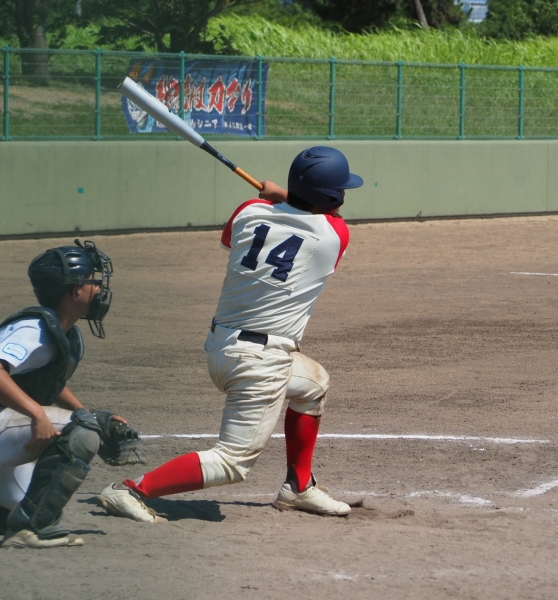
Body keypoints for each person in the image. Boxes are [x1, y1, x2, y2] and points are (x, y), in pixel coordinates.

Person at [96, 146, 363, 522]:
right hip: (260, 363)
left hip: (222, 347)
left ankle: (299, 488)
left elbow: (237, 237)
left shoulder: (248, 211)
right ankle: (131, 489)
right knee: (232, 463)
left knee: (314, 383)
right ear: (331, 197)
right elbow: (325, 217)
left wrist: (278, 198)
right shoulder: (334, 235)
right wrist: (283, 196)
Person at [0, 240, 141, 548]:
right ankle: (30, 529)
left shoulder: (58, 332)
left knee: (16, 505)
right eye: (93, 281)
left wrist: (86, 412)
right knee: (81, 432)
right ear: (75, 292)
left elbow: (46, 383)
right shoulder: (33, 330)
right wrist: (37, 413)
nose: (99, 289)